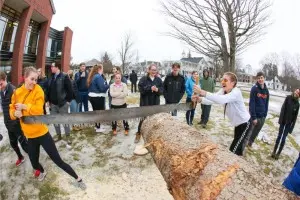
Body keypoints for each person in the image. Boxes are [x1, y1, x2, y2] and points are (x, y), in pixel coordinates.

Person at [9, 67, 85, 189]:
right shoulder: (17, 93)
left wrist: (24, 107)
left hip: (42, 133)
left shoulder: (38, 90)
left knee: (57, 160)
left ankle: (78, 178)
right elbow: (12, 109)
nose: (34, 82)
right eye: (32, 79)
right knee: (34, 163)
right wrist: (14, 114)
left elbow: (38, 110)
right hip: (30, 136)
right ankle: (42, 172)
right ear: (24, 77)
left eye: (36, 79)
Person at [192, 72, 251, 156]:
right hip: (238, 125)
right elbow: (213, 99)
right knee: (237, 148)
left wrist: (201, 91)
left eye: (225, 80)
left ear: (233, 83)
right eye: (222, 80)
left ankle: (235, 165)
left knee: (233, 151)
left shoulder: (236, 92)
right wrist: (199, 99)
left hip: (245, 124)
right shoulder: (223, 91)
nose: (222, 82)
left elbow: (221, 100)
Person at [0, 71, 28, 166]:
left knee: (24, 144)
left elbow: (19, 109)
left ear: (5, 79)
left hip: (16, 124)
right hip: (8, 123)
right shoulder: (1, 91)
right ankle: (21, 157)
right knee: (13, 144)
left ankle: (36, 165)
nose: (0, 87)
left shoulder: (13, 90)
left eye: (1, 84)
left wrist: (18, 122)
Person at [134, 64, 163, 143]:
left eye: (155, 70)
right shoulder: (143, 79)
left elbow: (162, 90)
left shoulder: (158, 80)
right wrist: (150, 88)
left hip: (155, 102)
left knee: (154, 119)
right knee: (143, 119)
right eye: (152, 70)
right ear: (149, 70)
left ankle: (152, 135)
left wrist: (157, 90)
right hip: (145, 102)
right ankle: (139, 133)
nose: (154, 71)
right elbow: (141, 89)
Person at [46, 63, 73, 144]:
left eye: (52, 66)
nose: (51, 68)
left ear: (57, 67)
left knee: (65, 121)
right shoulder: (51, 77)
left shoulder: (64, 76)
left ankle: (68, 136)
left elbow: (70, 90)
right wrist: (47, 100)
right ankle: (59, 136)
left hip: (62, 104)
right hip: (53, 105)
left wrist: (68, 101)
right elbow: (48, 90)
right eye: (51, 67)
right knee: (55, 121)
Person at [271, 88, 299, 160]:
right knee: (279, 136)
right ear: (294, 91)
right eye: (296, 91)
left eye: (298, 93)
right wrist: (280, 120)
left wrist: (291, 128)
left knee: (283, 139)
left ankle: (278, 154)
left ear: (299, 95)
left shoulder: (297, 104)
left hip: (288, 124)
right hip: (283, 121)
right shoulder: (288, 98)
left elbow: (295, 117)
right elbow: (283, 109)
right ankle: (274, 151)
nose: (296, 93)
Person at [246, 72, 269, 147]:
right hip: (255, 116)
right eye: (258, 78)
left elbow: (266, 103)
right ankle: (244, 144)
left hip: (262, 116)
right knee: (249, 131)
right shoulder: (254, 89)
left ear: (264, 78)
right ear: (257, 79)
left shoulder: (266, 91)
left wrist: (265, 115)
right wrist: (254, 117)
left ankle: (250, 143)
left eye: (261, 78)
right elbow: (251, 103)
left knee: (256, 132)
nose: (260, 79)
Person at [87, 64, 109, 133]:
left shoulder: (93, 76)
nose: (103, 70)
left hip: (92, 97)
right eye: (102, 68)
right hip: (97, 97)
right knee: (98, 113)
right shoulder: (98, 76)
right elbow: (102, 88)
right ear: (99, 69)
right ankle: (98, 128)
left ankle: (97, 125)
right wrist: (108, 85)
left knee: (95, 112)